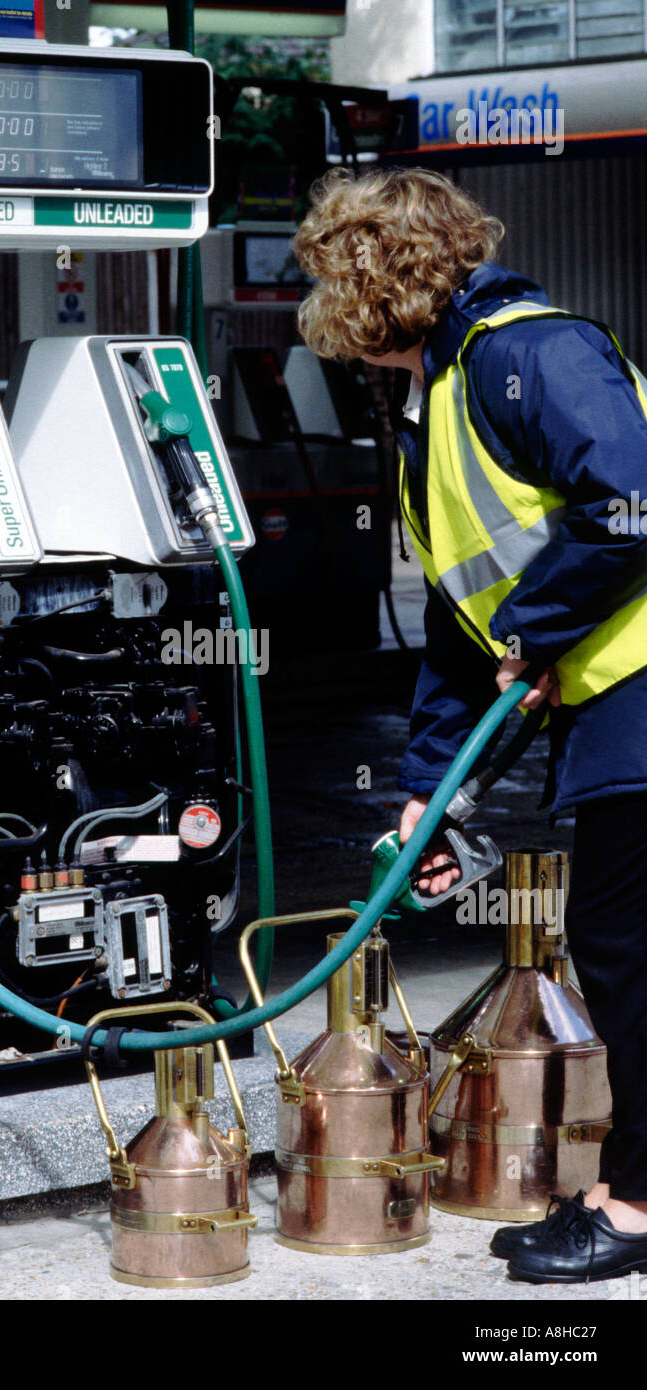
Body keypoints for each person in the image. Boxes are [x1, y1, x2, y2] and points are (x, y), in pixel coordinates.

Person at [294, 166, 647, 1284]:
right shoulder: (434, 408)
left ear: (361, 294)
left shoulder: (527, 356)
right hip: (615, 694)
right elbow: (465, 627)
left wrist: (536, 633)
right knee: (627, 944)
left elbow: (631, 502)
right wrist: (430, 794)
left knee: (628, 948)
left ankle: (637, 1204)